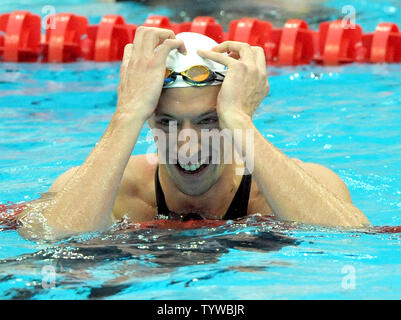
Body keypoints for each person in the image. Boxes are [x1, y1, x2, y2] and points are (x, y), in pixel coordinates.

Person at [18, 27, 370, 239]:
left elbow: (350, 242)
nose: (188, 144)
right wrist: (127, 113)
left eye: (209, 121)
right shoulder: (114, 190)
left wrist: (241, 121)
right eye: (168, 123)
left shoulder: (298, 187)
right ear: (150, 123)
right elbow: (51, 240)